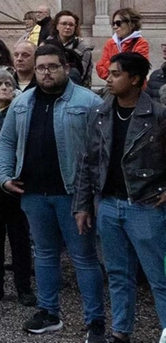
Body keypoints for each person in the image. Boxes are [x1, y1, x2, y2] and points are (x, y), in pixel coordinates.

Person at [0, 44, 106, 339]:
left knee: (84, 259)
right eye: (41, 67)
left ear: (65, 68)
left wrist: (94, 195)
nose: (46, 72)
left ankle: (95, 321)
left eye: (52, 67)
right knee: (44, 255)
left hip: (73, 195)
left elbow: (102, 151)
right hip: (33, 193)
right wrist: (4, 175)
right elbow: (6, 142)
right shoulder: (23, 103)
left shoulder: (89, 102)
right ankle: (49, 312)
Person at [73, 50, 166, 343]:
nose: (108, 79)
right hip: (109, 205)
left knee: (159, 278)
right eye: (109, 73)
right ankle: (120, 332)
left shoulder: (159, 114)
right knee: (117, 274)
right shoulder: (100, 112)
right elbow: (88, 161)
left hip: (146, 206)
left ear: (135, 79)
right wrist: (83, 205)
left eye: (116, 74)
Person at [0, 67, 34, 306]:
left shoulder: (22, 110)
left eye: (8, 84)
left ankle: (24, 287)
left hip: (17, 185)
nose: (4, 88)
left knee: (20, 239)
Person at [98, 7, 149, 81]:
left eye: (118, 23)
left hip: (133, 89)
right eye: (113, 23)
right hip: (114, 86)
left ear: (131, 24)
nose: (115, 27)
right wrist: (119, 74)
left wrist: (113, 69)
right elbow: (100, 67)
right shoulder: (110, 43)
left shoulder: (141, 43)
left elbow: (138, 70)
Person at [53, 10, 94, 87]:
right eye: (64, 24)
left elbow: (81, 75)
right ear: (57, 26)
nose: (67, 27)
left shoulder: (84, 49)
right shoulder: (47, 44)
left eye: (71, 25)